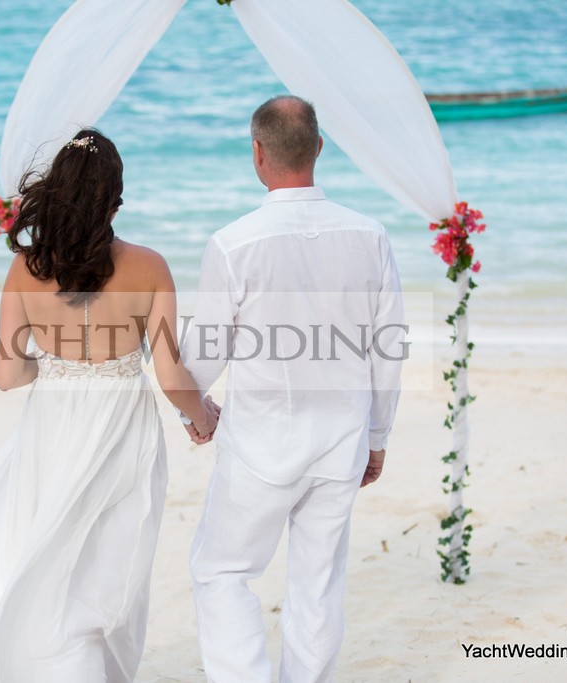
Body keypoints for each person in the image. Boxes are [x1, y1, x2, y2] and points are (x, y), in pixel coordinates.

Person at [0, 129, 219, 682]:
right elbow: (169, 373)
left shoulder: (26, 269)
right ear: (116, 198)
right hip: (121, 423)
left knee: (48, 550)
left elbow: (7, 376)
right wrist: (201, 416)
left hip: (53, 422)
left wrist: (57, 368)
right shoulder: (149, 265)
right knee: (106, 566)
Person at [181, 96, 406, 682]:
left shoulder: (233, 244)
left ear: (257, 152)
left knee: (223, 571)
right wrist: (377, 436)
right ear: (320, 148)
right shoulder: (370, 235)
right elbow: (388, 350)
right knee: (318, 584)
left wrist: (194, 413)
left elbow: (204, 353)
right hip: (341, 440)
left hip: (260, 445)